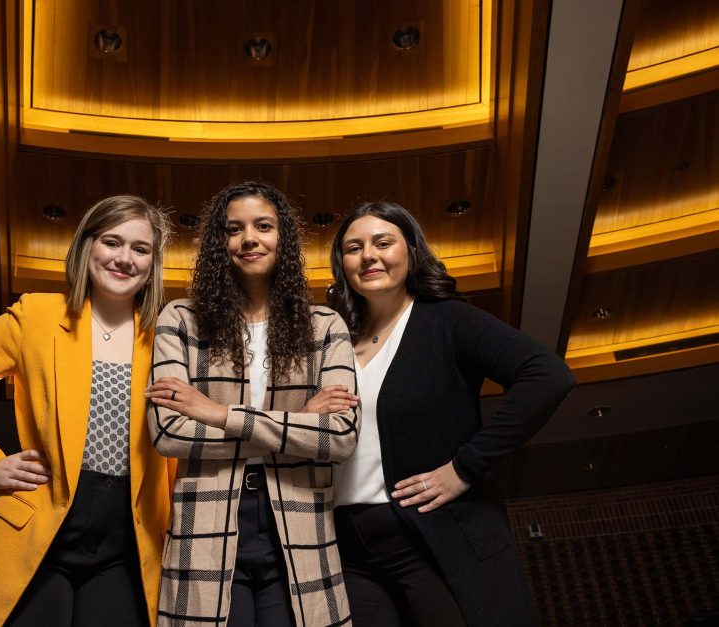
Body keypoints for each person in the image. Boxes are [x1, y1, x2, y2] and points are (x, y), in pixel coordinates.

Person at [0, 195, 176, 627]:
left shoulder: (170, 338)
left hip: (130, 542)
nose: (124, 258)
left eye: (140, 248)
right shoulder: (36, 315)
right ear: (86, 246)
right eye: (112, 242)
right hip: (38, 529)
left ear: (153, 263)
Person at [327, 201, 576, 627]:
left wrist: (464, 468)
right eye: (354, 248)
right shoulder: (333, 343)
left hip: (431, 539)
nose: (368, 255)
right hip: (348, 551)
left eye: (383, 242)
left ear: (411, 251)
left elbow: (548, 376)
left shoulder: (447, 320)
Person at [144, 181, 360, 627]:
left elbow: (340, 437)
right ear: (218, 244)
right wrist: (299, 424)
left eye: (263, 226)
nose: (249, 239)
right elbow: (168, 433)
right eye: (234, 229)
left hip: (299, 516)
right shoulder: (179, 319)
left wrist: (218, 414)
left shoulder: (325, 326)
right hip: (206, 516)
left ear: (284, 237)